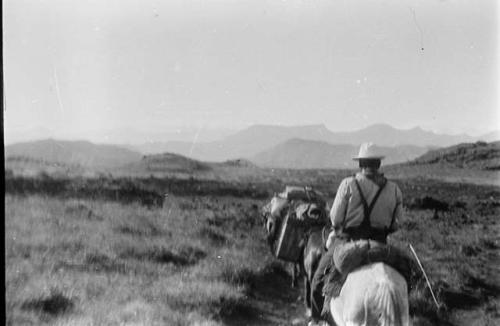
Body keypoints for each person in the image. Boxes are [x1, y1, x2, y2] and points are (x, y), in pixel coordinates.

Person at [308, 142, 403, 326]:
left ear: (361, 164)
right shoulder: (394, 189)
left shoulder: (348, 184)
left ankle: (317, 319)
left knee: (318, 281)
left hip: (348, 242)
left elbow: (335, 218)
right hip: (379, 244)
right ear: (378, 164)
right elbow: (398, 223)